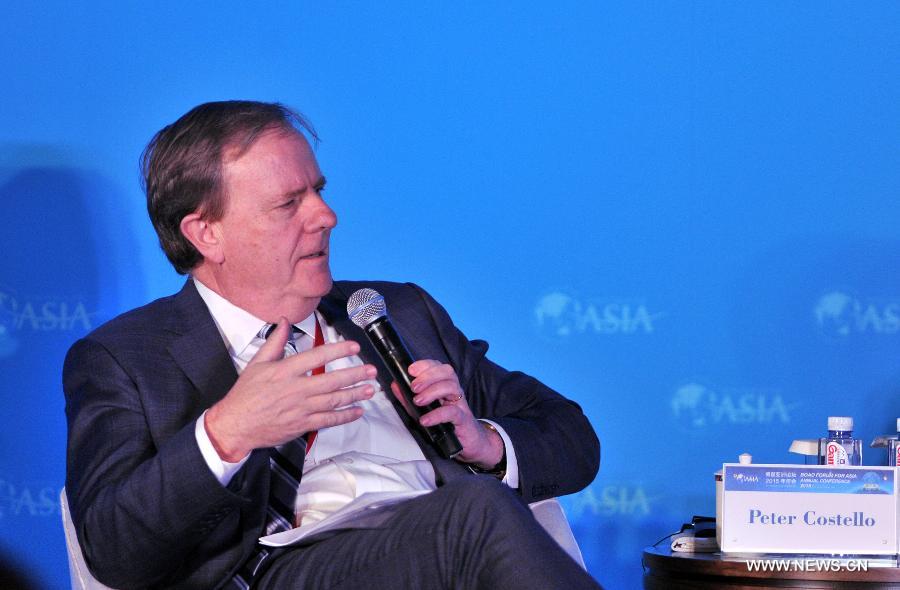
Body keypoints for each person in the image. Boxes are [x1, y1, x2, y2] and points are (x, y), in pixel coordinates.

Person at [63, 100, 601, 590]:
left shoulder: (397, 311)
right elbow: (111, 548)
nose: (325, 216)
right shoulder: (126, 359)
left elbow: (573, 438)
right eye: (287, 204)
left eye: (318, 191)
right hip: (284, 571)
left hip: (447, 549)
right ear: (207, 233)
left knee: (477, 511)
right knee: (478, 512)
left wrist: (484, 444)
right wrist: (227, 432)